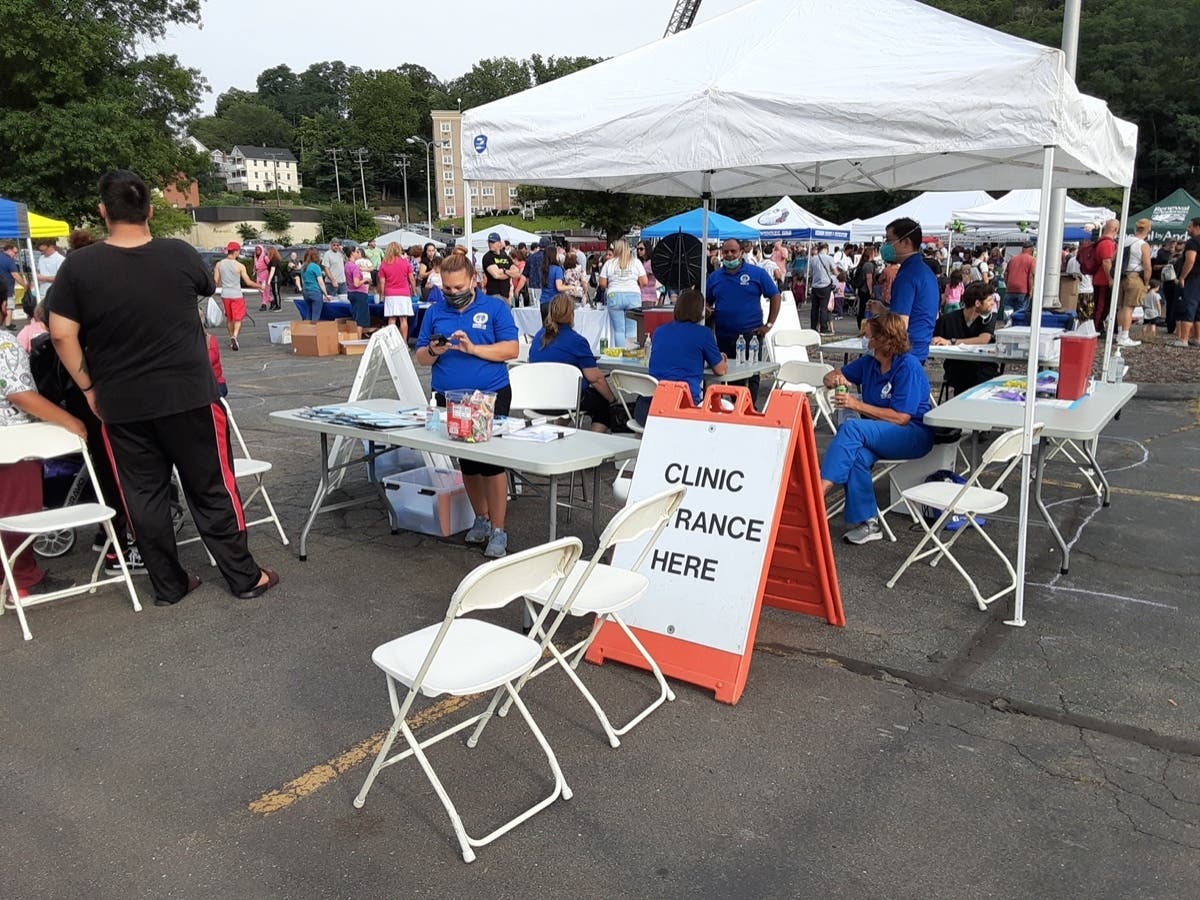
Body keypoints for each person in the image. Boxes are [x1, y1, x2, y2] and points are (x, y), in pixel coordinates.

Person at [48, 169, 277, 607]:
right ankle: (243, 576)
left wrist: (89, 388)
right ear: (150, 210)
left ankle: (169, 584)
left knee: (143, 496)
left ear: (102, 211)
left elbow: (60, 333)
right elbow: (205, 287)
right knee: (212, 486)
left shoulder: (78, 266)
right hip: (188, 394)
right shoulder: (178, 253)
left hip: (121, 401)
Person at [415, 252, 519, 559]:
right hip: (450, 396)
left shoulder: (494, 308)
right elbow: (421, 357)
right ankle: (481, 518)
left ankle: (499, 529)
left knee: (491, 463)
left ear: (474, 280)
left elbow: (511, 349)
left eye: (459, 288)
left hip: (489, 394)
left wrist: (474, 349)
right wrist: (435, 350)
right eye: (447, 288)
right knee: (468, 462)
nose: (453, 293)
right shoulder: (436, 311)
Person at [820, 313, 935, 545]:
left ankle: (817, 492)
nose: (866, 340)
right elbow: (829, 376)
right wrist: (836, 380)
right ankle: (869, 523)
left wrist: (856, 405)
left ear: (885, 339)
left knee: (851, 429)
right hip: (881, 433)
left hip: (913, 433)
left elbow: (901, 417)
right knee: (857, 456)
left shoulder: (908, 366)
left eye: (870, 336)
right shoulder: (869, 363)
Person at [0, 331, 88, 602]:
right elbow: (19, 393)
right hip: (15, 443)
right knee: (18, 513)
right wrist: (69, 421)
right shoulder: (4, 343)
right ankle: (21, 579)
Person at [705, 238, 781, 406]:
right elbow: (707, 301)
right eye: (726, 251)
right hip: (724, 334)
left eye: (733, 251)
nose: (729, 255)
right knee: (730, 374)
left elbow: (775, 295)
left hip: (751, 334)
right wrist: (707, 308)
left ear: (741, 252)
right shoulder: (715, 277)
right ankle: (736, 407)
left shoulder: (757, 273)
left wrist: (768, 325)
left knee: (752, 374)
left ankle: (750, 408)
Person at [529, 293, 617, 432]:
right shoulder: (577, 341)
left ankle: (558, 430)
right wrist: (613, 400)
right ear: (571, 314)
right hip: (565, 401)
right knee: (602, 404)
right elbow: (595, 379)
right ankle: (593, 439)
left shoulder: (538, 337)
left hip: (537, 399)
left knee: (570, 392)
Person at [869, 217, 939, 362]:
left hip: (904, 351)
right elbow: (914, 312)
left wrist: (873, 328)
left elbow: (900, 324)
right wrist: (884, 310)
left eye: (889, 240)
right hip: (919, 348)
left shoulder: (908, 275)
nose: (885, 246)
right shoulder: (925, 271)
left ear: (906, 242)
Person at [647, 288, 727, 413]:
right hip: (683, 406)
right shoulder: (703, 333)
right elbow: (720, 370)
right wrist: (720, 358)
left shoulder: (659, 331)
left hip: (650, 406)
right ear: (700, 310)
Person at [931, 281, 999, 396]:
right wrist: (935, 341)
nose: (993, 303)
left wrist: (951, 342)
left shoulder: (988, 318)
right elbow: (933, 338)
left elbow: (984, 339)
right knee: (962, 374)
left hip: (983, 369)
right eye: (989, 300)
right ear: (977, 303)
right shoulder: (948, 320)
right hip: (958, 370)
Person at [599, 239, 647, 349]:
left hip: (614, 295)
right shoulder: (636, 262)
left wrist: (612, 284)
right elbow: (644, 281)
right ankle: (630, 354)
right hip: (633, 295)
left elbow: (602, 283)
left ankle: (620, 354)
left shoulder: (609, 263)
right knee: (632, 329)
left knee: (619, 330)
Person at [213, 242, 259, 350]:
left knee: (229, 318)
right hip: (237, 295)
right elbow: (248, 282)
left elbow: (216, 281)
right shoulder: (240, 266)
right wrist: (260, 286)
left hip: (225, 294)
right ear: (236, 252)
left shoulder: (219, 264)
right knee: (238, 318)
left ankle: (231, 339)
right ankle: (235, 336)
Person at [1116, 218, 1152, 348]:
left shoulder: (1125, 241)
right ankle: (1125, 336)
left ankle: (1120, 333)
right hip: (1134, 276)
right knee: (1129, 307)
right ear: (1148, 230)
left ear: (1135, 228)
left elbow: (1114, 257)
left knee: (1121, 307)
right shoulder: (1143, 245)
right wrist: (1146, 283)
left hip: (1121, 276)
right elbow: (1147, 267)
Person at [377, 241, 416, 338]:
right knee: (403, 319)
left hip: (390, 293)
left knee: (392, 319)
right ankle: (404, 342)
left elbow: (382, 282)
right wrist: (414, 290)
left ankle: (392, 342)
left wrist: (382, 294)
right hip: (404, 293)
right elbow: (411, 278)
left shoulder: (384, 264)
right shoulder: (405, 262)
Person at [1173, 217, 1200, 348]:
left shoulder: (1192, 242)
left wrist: (1182, 277)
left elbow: (1190, 260)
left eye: (1190, 227)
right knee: (1198, 309)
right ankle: (1197, 338)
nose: (1188, 229)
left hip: (1193, 278)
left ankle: (1183, 339)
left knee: (1189, 306)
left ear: (1197, 227)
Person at [1091, 219, 1120, 334]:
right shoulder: (1107, 243)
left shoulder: (1102, 242)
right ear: (1115, 229)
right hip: (1103, 280)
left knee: (1103, 305)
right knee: (1101, 306)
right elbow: (1106, 262)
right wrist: (1110, 279)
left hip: (1100, 279)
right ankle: (1096, 328)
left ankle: (1098, 326)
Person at [1002, 242, 1036, 321]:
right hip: (1022, 290)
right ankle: (1017, 325)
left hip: (1010, 289)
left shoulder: (1013, 259)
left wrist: (1007, 284)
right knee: (1020, 312)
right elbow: (1030, 276)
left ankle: (1007, 323)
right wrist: (1030, 291)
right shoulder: (1032, 260)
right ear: (1031, 250)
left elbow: (1005, 274)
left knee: (1008, 309)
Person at [808, 243, 836, 334]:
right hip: (825, 285)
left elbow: (810, 273)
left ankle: (813, 327)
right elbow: (835, 271)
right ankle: (823, 328)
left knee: (814, 308)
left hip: (815, 285)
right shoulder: (829, 258)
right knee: (823, 308)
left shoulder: (813, 259)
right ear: (826, 249)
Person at [1, 241, 28, 329]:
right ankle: (8, 324)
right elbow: (15, 275)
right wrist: (25, 285)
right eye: (15, 252)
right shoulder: (9, 261)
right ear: (9, 250)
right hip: (7, 288)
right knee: (9, 306)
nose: (15, 255)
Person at [481, 232, 514, 304]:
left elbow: (517, 273)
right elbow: (496, 275)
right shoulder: (488, 257)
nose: (490, 244)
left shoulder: (505, 255)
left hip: (506, 294)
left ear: (499, 243)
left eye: (493, 242)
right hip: (494, 293)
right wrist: (510, 274)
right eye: (489, 242)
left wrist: (504, 271)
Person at [344, 246, 371, 329]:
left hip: (351, 292)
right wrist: (365, 279)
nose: (358, 253)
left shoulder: (347, 265)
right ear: (352, 253)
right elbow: (356, 283)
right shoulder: (354, 267)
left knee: (356, 317)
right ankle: (358, 337)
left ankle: (355, 335)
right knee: (360, 320)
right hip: (359, 293)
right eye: (357, 252)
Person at [300, 247, 329, 321]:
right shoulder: (316, 267)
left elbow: (303, 281)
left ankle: (307, 327)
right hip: (315, 292)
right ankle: (314, 327)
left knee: (309, 313)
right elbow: (321, 283)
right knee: (316, 315)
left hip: (306, 291)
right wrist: (326, 295)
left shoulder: (303, 267)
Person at [253, 246, 271, 311]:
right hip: (258, 275)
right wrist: (254, 271)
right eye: (256, 249)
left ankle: (264, 304)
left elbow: (270, 266)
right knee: (260, 289)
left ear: (262, 250)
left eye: (259, 249)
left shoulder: (265, 257)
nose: (257, 251)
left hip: (265, 274)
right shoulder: (255, 257)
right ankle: (272, 300)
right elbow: (255, 265)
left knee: (264, 290)